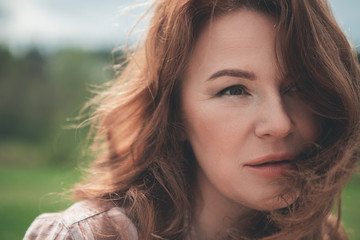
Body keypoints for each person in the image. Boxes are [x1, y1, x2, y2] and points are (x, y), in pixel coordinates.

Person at [24, 0, 360, 239]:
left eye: (298, 86)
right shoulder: (90, 236)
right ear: (176, 113)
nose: (279, 123)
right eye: (234, 90)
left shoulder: (328, 236)